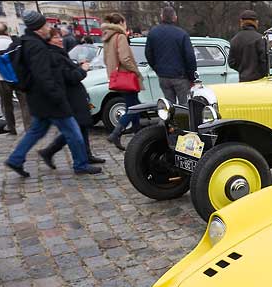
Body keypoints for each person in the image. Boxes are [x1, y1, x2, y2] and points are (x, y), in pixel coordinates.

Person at [5, 11, 100, 177]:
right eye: (45, 25)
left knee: (36, 131)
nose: (48, 27)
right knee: (73, 131)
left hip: (37, 98)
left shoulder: (27, 42)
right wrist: (58, 97)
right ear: (38, 28)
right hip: (50, 99)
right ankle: (81, 164)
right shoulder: (37, 46)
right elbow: (43, 76)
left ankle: (15, 159)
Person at [38, 28, 105, 167]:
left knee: (82, 126)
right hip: (71, 96)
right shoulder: (54, 55)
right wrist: (82, 70)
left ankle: (86, 155)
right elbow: (69, 77)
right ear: (49, 40)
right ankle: (51, 152)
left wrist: (78, 67)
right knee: (76, 128)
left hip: (74, 94)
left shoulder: (59, 53)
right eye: (56, 37)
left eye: (60, 37)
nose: (60, 40)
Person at [103, 12, 144, 150]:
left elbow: (106, 59)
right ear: (121, 23)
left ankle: (137, 133)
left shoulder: (108, 38)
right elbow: (125, 58)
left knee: (134, 105)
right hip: (126, 76)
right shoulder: (120, 37)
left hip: (117, 76)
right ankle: (116, 133)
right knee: (132, 108)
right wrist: (135, 71)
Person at [0, 22, 31, 135]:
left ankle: (11, 127)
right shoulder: (14, 42)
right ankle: (28, 127)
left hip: (0, 77)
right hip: (17, 76)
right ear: (7, 31)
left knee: (6, 104)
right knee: (24, 103)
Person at [145, 6, 196, 104]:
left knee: (168, 106)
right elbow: (190, 57)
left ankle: (170, 119)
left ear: (162, 17)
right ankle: (184, 119)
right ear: (175, 18)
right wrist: (192, 77)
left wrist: (157, 68)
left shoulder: (153, 33)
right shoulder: (182, 34)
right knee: (184, 105)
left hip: (163, 75)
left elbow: (148, 54)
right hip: (180, 76)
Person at [228, 9, 267, 82]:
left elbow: (231, 62)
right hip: (259, 81)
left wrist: (242, 69)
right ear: (256, 22)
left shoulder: (235, 39)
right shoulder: (260, 38)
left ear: (241, 22)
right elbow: (264, 61)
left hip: (243, 80)